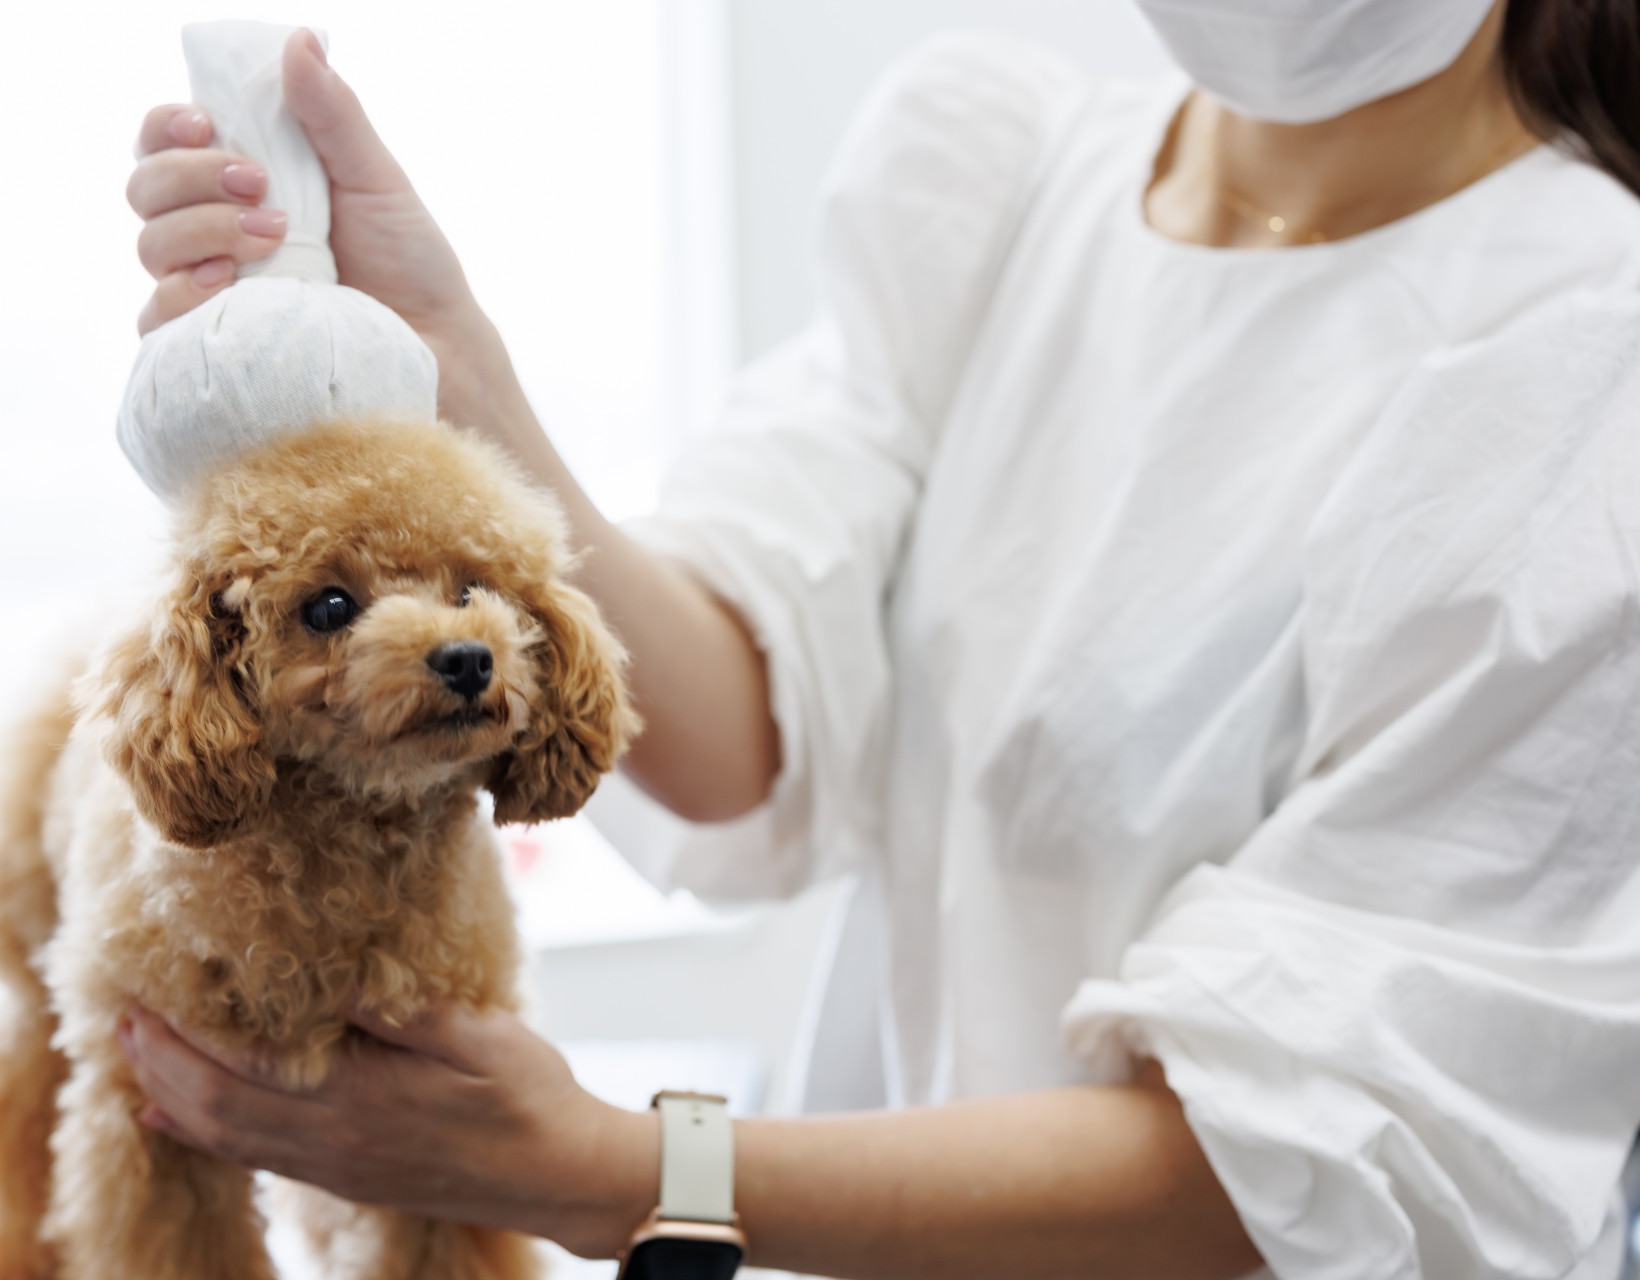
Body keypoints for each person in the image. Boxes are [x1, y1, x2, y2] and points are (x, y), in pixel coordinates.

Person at [115, 1, 1640, 1275]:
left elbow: (1313, 1152)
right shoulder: (1011, 174)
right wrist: (450, 377)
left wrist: (614, 1172)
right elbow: (737, 728)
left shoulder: (1587, 354)